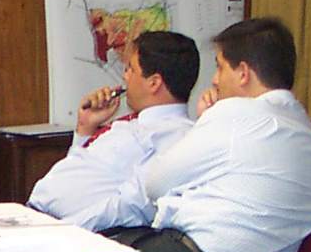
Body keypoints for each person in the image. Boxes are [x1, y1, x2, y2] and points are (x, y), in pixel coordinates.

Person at [137, 18, 311, 252]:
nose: (215, 79)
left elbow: (155, 184)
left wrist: (206, 121)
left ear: (243, 73)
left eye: (219, 66)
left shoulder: (236, 114)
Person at [28, 31, 198, 231]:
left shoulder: (177, 137)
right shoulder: (131, 124)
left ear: (153, 82)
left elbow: (132, 205)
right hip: (34, 217)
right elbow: (86, 171)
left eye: (130, 69)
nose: (125, 76)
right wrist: (85, 129)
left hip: (66, 232)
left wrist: (67, 231)